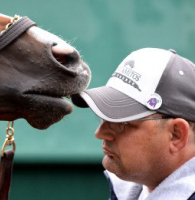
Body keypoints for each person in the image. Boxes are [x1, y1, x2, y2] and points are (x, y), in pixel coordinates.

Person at [72, 48, 195, 200]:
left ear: (176, 135)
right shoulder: (130, 191)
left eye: (122, 122)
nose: (100, 133)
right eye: (104, 117)